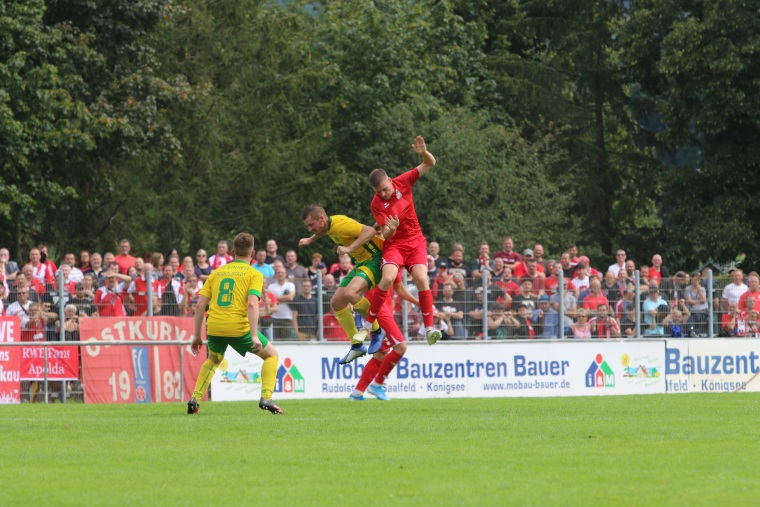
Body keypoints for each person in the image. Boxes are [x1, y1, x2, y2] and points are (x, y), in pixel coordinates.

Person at [355, 136, 445, 346]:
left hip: (415, 241)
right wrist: (391, 230)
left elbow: (430, 163)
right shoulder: (376, 204)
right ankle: (367, 326)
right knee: (387, 279)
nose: (384, 194)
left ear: (389, 180)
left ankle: (429, 328)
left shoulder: (403, 181)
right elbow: (384, 236)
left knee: (422, 279)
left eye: (385, 189)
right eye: (379, 192)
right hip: (395, 244)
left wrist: (423, 152)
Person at [188, 232, 283, 415]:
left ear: (232, 252)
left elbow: (200, 304)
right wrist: (254, 335)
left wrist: (197, 336)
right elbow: (252, 303)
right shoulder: (254, 274)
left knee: (214, 359)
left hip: (214, 326)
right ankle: (266, 397)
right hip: (238, 327)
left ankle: (195, 399)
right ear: (253, 254)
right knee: (271, 355)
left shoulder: (216, 273)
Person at [299, 204, 394, 353]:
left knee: (351, 293)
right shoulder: (329, 226)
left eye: (311, 225)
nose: (310, 229)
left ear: (322, 219)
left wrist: (349, 249)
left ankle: (377, 331)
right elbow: (324, 231)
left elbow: (370, 230)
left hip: (375, 260)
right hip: (362, 262)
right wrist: (310, 240)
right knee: (336, 302)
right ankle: (356, 346)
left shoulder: (340, 225)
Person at [349, 278, 419, 400]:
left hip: (386, 312)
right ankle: (377, 384)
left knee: (381, 353)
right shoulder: (372, 263)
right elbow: (356, 281)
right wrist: (351, 299)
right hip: (378, 312)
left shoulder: (393, 265)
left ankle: (357, 393)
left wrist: (417, 302)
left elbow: (400, 288)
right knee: (401, 347)